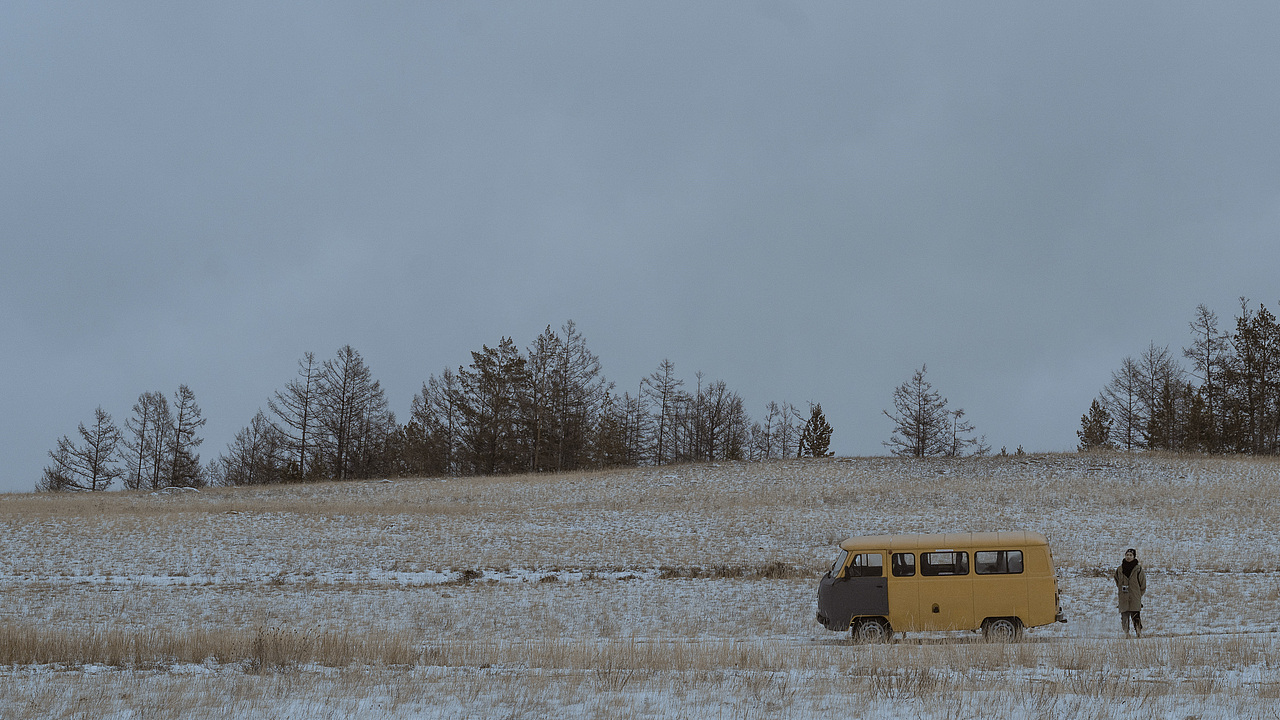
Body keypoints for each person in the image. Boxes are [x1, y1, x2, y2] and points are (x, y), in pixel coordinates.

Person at [1114, 548, 1147, 638]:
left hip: (1135, 597)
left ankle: (1138, 632)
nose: (1128, 557)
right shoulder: (1120, 569)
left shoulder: (1138, 569)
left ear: (1134, 557)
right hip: (1124, 597)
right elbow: (1117, 581)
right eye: (1127, 555)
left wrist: (1138, 595)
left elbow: (1143, 584)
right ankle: (1126, 633)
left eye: (1130, 555)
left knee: (1136, 615)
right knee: (1124, 616)